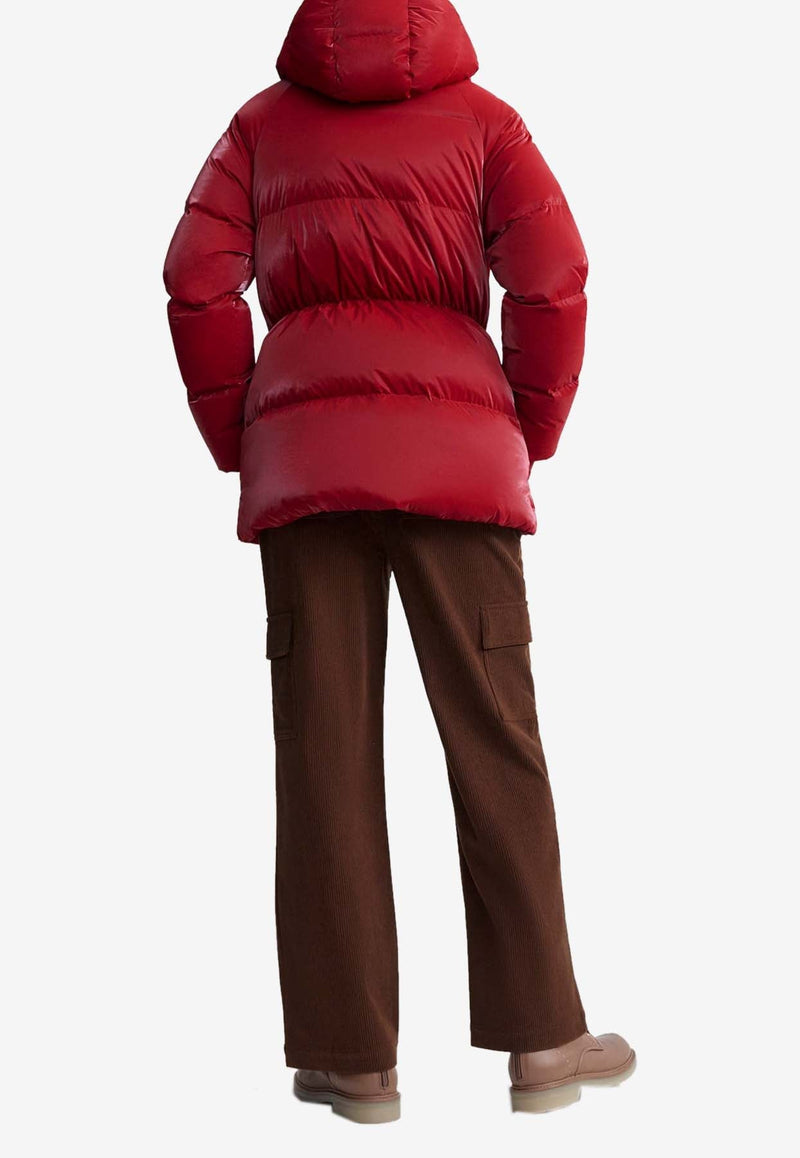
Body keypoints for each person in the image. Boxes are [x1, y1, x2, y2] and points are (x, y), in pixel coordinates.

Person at [164, 0, 634, 1125]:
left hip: (305, 465)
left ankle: (353, 1061)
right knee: (495, 734)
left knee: (321, 745)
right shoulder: (484, 122)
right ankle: (543, 1042)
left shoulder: (261, 125)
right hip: (459, 458)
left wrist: (249, 436)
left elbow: (194, 279)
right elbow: (553, 275)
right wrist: (521, 429)